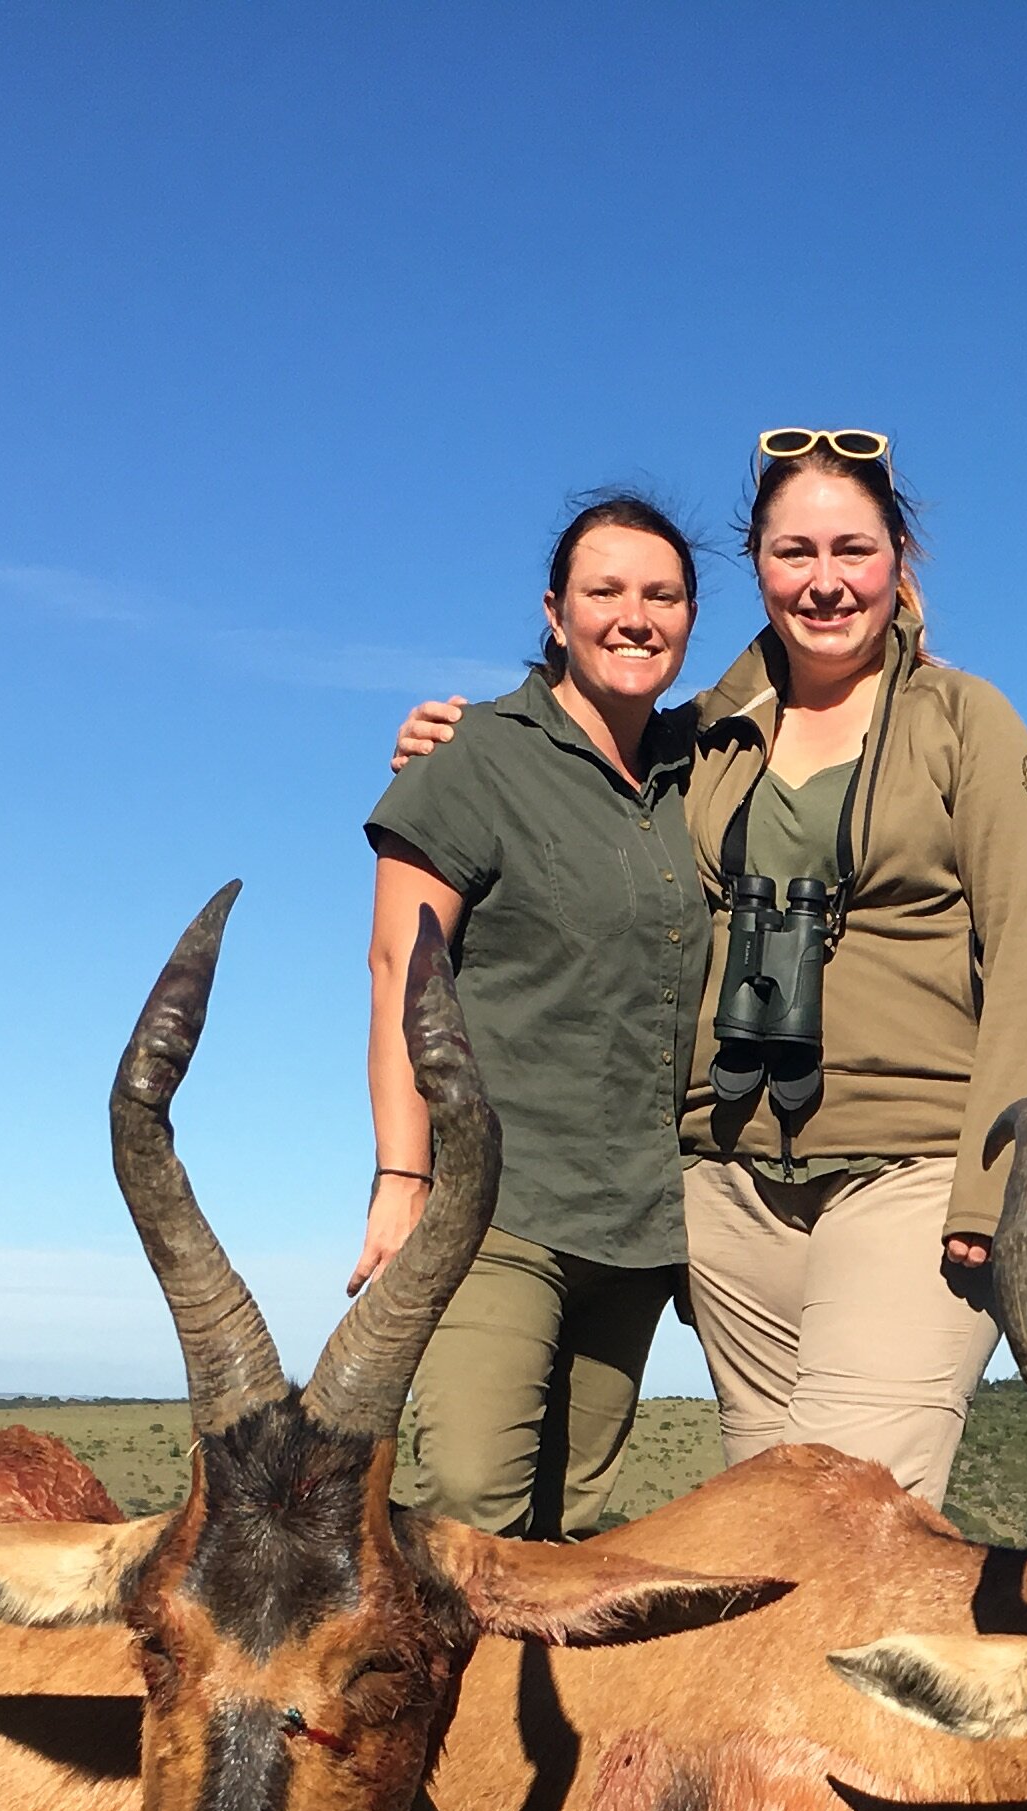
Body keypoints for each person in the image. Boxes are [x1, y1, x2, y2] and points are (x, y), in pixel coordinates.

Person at [397, 430, 1027, 1508]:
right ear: (755, 566)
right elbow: (572, 754)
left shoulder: (967, 725)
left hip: (910, 1173)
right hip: (727, 1190)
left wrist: (992, 1188)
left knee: (842, 1517)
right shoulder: (702, 734)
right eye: (794, 552)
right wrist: (470, 738)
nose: (826, 581)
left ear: (900, 556)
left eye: (853, 549)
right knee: (762, 1524)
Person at [356, 493, 707, 1537]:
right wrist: (401, 1177)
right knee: (468, 1507)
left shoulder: (702, 765)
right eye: (604, 591)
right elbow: (396, 971)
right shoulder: (474, 760)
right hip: (498, 1207)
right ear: (555, 612)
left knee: (570, 1523)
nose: (633, 616)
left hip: (643, 1227)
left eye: (663, 595)